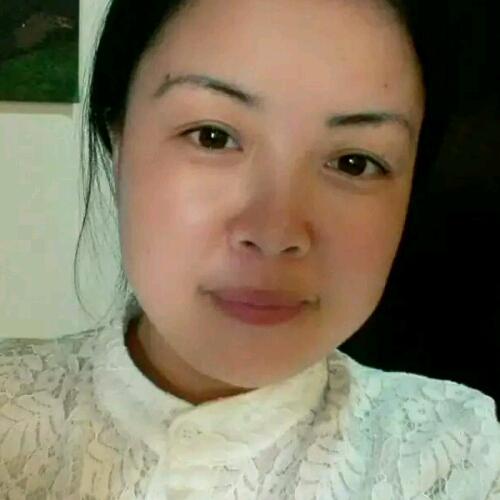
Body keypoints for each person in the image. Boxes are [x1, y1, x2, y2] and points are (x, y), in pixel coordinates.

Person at [1, 0, 499, 498]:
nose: (274, 232)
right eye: (213, 137)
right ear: (118, 139)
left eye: (354, 162)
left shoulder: (461, 455)